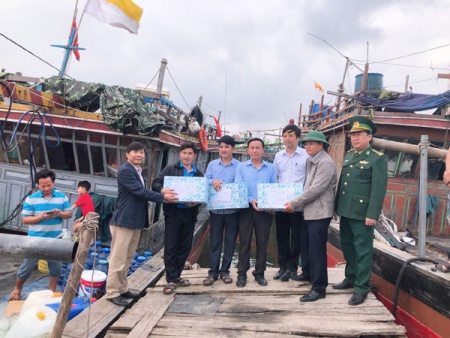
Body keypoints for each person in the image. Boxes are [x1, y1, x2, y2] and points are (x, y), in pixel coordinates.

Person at [106, 142, 177, 306]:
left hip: (135, 221)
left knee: (128, 258)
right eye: (135, 152)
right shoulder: (125, 170)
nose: (139, 155)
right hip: (124, 221)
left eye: (141, 153)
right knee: (118, 258)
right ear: (127, 154)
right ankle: (112, 292)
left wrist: (163, 192)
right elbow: (140, 191)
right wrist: (163, 196)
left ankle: (123, 289)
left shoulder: (138, 171)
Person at [333, 116, 388, 306]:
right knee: (347, 247)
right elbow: (342, 185)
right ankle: (350, 277)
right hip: (346, 211)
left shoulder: (377, 159)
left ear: (369, 136)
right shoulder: (349, 156)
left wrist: (372, 214)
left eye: (358, 135)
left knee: (363, 251)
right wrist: (337, 208)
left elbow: (378, 189)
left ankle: (362, 287)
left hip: (363, 214)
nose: (354, 138)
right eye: (352, 135)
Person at [285, 131, 337, 302]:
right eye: (306, 143)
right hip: (309, 211)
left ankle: (319, 287)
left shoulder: (326, 163)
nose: (307, 146)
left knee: (317, 251)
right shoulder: (310, 161)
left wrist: (294, 202)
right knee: (306, 246)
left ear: (321, 145)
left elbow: (316, 189)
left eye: (312, 143)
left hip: (320, 212)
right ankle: (307, 274)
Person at [9, 169, 73, 301]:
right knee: (27, 266)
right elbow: (25, 220)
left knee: (56, 267)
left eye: (49, 185)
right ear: (38, 185)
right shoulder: (31, 199)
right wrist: (41, 217)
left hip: (55, 239)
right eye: (43, 186)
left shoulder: (62, 196)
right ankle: (18, 289)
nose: (46, 188)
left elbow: (69, 214)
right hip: (34, 240)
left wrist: (59, 213)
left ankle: (51, 292)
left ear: (53, 183)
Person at [152, 142, 204, 294]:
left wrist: (196, 201)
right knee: (171, 245)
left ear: (195, 156)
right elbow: (156, 183)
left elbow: (201, 194)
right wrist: (163, 191)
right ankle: (170, 279)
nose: (186, 156)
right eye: (184, 153)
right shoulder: (170, 169)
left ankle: (178, 275)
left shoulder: (198, 174)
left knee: (185, 246)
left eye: (190, 153)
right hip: (173, 213)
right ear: (180, 154)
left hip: (190, 214)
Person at [234, 138, 277, 287]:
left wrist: (267, 202)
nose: (255, 150)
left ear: (263, 150)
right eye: (252, 148)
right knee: (244, 241)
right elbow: (238, 187)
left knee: (262, 242)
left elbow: (274, 188)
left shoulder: (271, 168)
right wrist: (251, 199)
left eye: (258, 147)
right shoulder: (241, 167)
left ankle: (259, 273)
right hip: (246, 208)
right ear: (248, 150)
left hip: (264, 210)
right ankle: (241, 274)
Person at [203, 135, 240, 286]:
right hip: (216, 210)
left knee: (230, 242)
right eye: (222, 147)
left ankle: (225, 271)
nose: (224, 149)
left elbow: (240, 186)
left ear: (233, 149)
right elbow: (204, 180)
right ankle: (213, 272)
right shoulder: (212, 164)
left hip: (232, 211)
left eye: (227, 147)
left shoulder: (239, 166)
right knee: (215, 241)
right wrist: (213, 181)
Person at [273, 124, 308, 281]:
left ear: (298, 138)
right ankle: (283, 266)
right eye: (285, 135)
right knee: (281, 235)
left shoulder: (306, 156)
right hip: (281, 202)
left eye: (291, 135)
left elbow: (308, 179)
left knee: (297, 236)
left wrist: (298, 201)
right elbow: (276, 178)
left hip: (298, 204)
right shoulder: (278, 156)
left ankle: (292, 267)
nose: (287, 138)